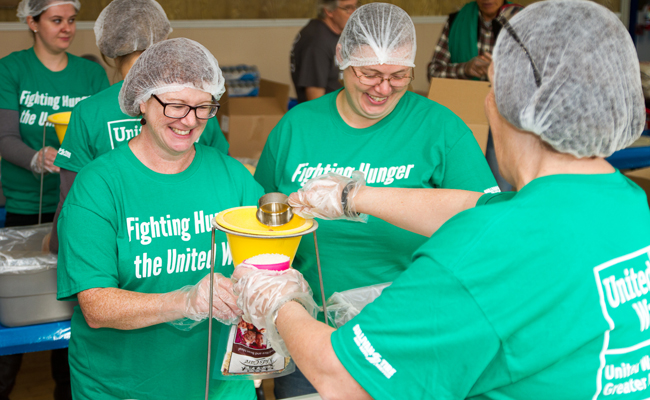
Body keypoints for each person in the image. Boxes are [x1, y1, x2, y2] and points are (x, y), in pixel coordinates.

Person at [234, 1, 650, 398]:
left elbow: (343, 378)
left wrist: (279, 300)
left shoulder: (470, 259)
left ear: (505, 105)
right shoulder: (628, 204)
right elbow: (476, 208)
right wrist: (352, 196)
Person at [255, 3, 498, 398]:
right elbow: (262, 218)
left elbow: (488, 223)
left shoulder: (439, 127)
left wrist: (358, 197)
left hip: (409, 336)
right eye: (370, 73)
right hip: (310, 335)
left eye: (398, 75)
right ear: (341, 58)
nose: (383, 88)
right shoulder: (296, 128)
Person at [56, 38, 263, 400]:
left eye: (203, 107)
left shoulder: (235, 179)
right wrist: (185, 302)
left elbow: (266, 264)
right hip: (122, 388)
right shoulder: (100, 185)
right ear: (141, 100)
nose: (191, 121)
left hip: (219, 389)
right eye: (177, 105)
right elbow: (96, 305)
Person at [47, 0, 230, 254]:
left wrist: (54, 245)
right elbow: (222, 177)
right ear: (166, 41)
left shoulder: (89, 112)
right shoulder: (196, 106)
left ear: (108, 50)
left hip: (114, 246)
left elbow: (70, 199)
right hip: (188, 242)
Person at [0, 0, 108, 399]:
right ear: (31, 22)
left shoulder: (91, 74)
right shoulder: (11, 69)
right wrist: (36, 157)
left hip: (81, 211)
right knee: (16, 317)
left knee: (69, 319)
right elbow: (4, 137)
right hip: (27, 208)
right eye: (56, 20)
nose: (67, 28)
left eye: (72, 20)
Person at [428, 0, 523, 192]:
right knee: (463, 180)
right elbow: (433, 71)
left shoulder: (519, 19)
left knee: (500, 184)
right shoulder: (456, 21)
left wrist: (499, 70)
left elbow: (536, 70)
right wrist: (466, 68)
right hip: (465, 114)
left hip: (506, 116)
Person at [290, 0, 357, 103]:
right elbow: (315, 98)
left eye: (355, 6)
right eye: (347, 8)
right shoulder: (317, 42)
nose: (354, 13)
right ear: (329, 11)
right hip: (327, 113)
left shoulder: (333, 33)